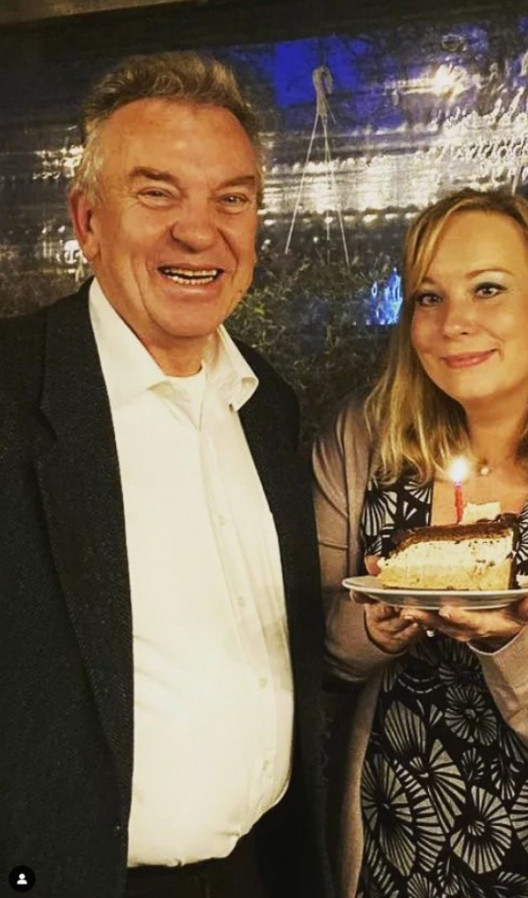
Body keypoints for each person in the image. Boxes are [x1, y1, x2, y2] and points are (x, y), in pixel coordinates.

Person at [0, 53, 330, 898]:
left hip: (260, 872)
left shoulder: (268, 406)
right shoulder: (11, 393)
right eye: (157, 193)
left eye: (232, 199)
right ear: (87, 221)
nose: (199, 231)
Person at [313, 188, 528, 898]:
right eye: (428, 297)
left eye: (488, 289)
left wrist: (509, 641)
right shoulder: (361, 444)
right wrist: (372, 627)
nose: (454, 323)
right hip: (382, 858)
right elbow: (311, 651)